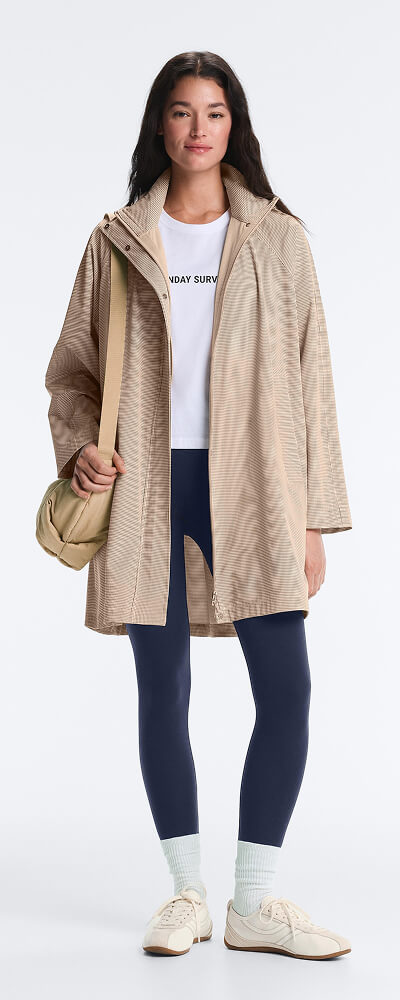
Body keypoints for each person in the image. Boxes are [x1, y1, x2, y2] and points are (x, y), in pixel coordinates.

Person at [45, 52, 353, 959]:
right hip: (145, 487)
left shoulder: (279, 240)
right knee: (163, 688)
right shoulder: (115, 241)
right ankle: (187, 895)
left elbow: (314, 379)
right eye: (182, 112)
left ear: (233, 125)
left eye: (214, 112)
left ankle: (255, 901)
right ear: (161, 125)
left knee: (288, 689)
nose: (198, 129)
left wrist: (313, 516)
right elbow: (71, 373)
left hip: (254, 487)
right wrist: (79, 448)